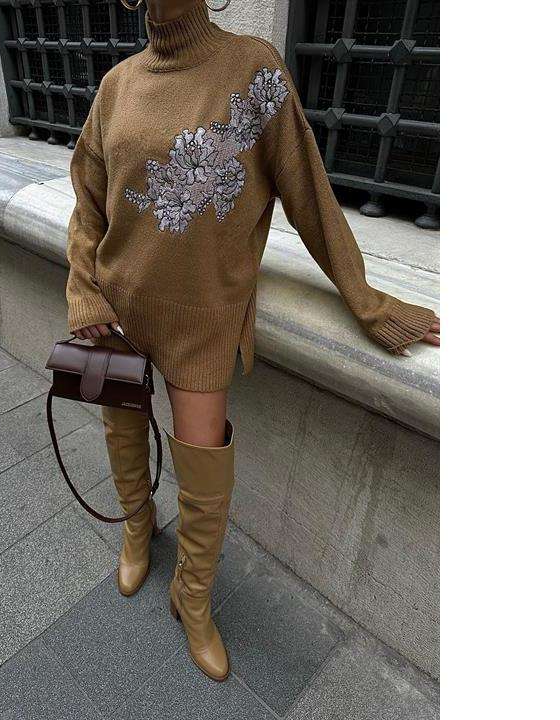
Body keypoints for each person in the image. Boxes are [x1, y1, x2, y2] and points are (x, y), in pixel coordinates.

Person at [66, 0, 440, 682]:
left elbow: (309, 196)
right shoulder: (117, 85)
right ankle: (136, 526)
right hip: (116, 308)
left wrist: (367, 301)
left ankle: (193, 597)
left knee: (206, 472)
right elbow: (88, 204)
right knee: (121, 432)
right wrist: (84, 293)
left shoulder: (252, 70)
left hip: (205, 315)